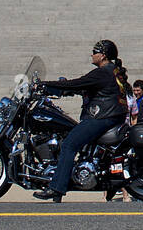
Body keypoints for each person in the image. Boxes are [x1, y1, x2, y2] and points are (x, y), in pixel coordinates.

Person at [33, 40, 130, 202]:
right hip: (111, 115)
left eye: (94, 51)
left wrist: (44, 85)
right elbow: (86, 88)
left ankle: (56, 188)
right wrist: (63, 90)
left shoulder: (102, 72)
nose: (92, 55)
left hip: (102, 117)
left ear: (103, 55)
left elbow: (77, 83)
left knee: (69, 144)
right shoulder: (112, 72)